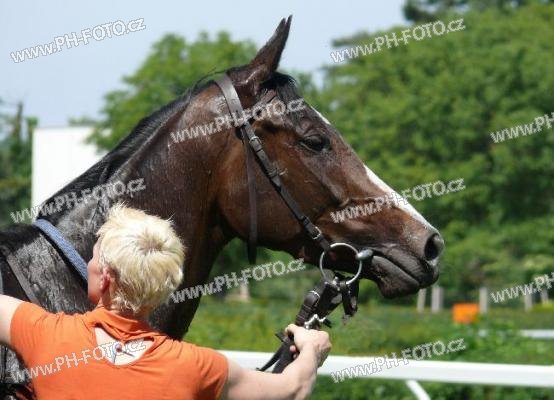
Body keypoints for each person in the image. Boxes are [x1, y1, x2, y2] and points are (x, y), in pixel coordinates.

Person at [0, 204, 331, 399]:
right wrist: (312, 349)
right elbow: (292, 388)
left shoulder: (44, 334)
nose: (88, 262)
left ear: (105, 278)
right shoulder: (197, 367)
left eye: (94, 256)